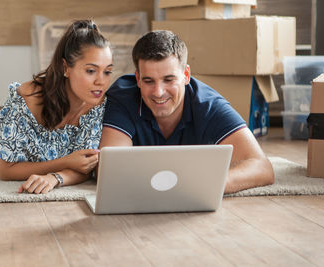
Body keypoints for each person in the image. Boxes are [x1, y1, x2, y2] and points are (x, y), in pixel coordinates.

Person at [0, 20, 113, 194]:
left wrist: (55, 178)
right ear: (65, 68)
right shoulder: (29, 97)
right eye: (91, 71)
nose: (101, 81)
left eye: (107, 71)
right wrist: (66, 162)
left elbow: (84, 166)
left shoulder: (98, 104)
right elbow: (6, 170)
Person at [99, 30, 274, 194]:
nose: (158, 92)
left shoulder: (208, 105)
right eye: (148, 81)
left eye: (169, 80)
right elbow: (110, 170)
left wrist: (205, 185)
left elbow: (261, 167)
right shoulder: (123, 97)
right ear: (137, 79)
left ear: (186, 75)